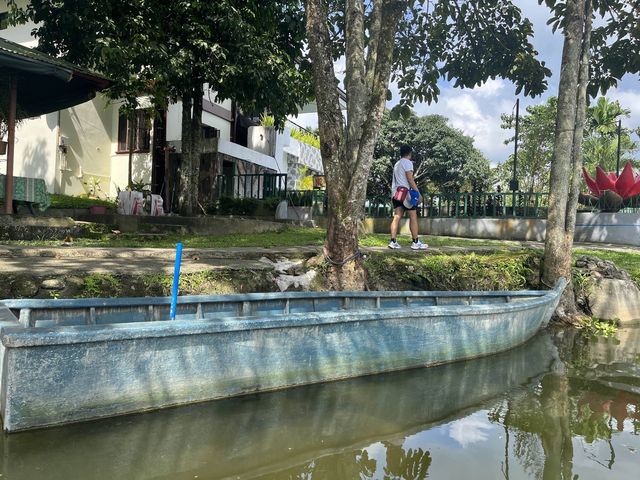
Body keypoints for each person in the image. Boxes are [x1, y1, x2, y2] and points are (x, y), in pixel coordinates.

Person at [389, 145, 428, 250]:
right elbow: (410, 179)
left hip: (396, 193)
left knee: (397, 216)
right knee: (413, 216)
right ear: (410, 153)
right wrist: (418, 193)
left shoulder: (397, 164)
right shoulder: (408, 163)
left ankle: (393, 241)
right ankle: (415, 242)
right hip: (405, 193)